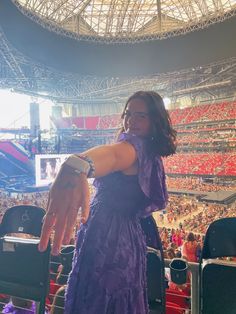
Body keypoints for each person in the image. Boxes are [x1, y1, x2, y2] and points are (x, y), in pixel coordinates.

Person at [39, 91, 177, 314]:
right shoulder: (149, 151)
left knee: (99, 299)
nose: (131, 121)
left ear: (155, 120)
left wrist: (77, 164)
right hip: (125, 237)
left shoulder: (132, 148)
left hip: (110, 240)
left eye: (141, 115)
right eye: (128, 114)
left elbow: (112, 156)